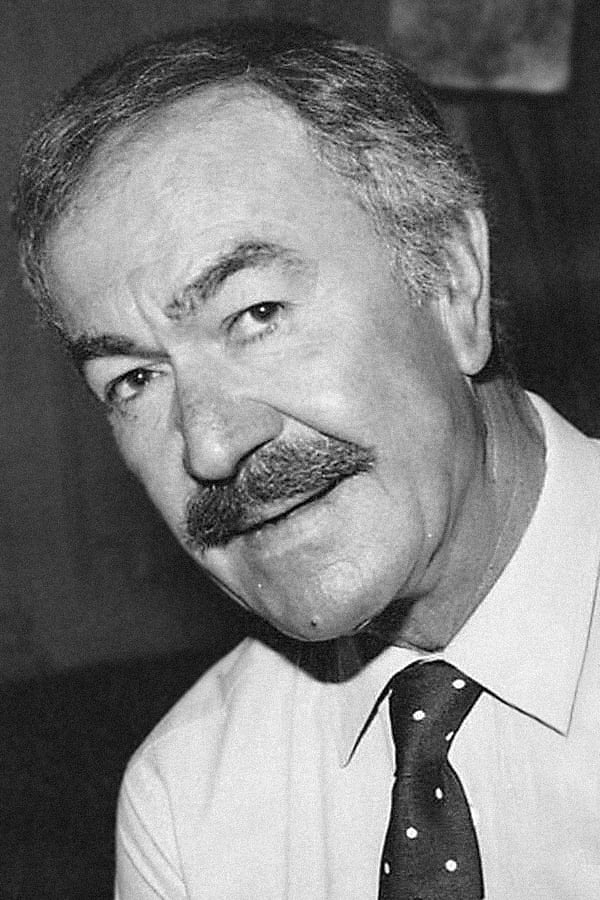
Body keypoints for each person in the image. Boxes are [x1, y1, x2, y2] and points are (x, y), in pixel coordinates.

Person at [13, 19, 600, 900]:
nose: (211, 446)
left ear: (452, 283)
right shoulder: (187, 807)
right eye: (133, 378)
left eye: (256, 316)